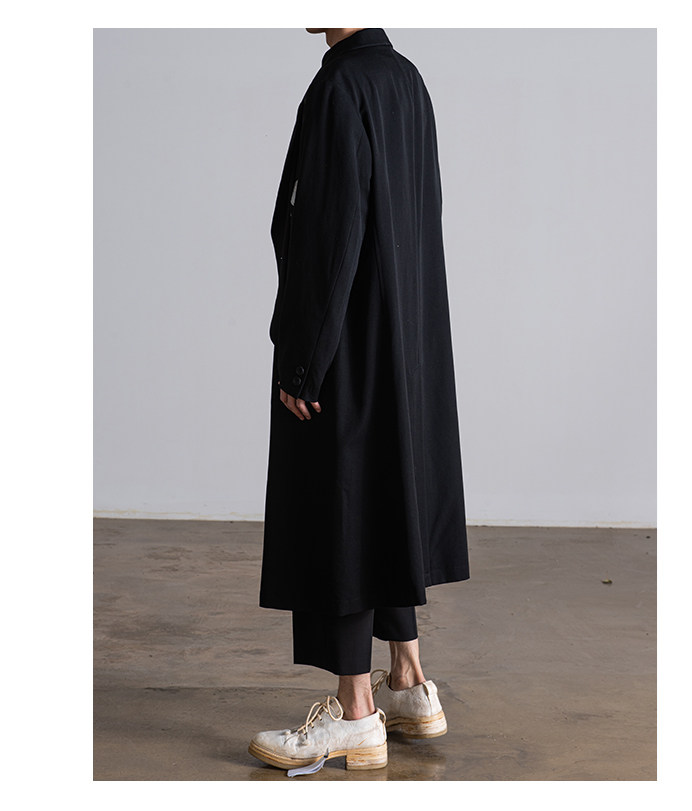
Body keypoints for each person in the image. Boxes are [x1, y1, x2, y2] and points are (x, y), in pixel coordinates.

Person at [248, 27, 470, 773]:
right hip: (399, 335)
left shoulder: (341, 86)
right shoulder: (406, 79)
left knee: (340, 509)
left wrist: (304, 360)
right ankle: (408, 682)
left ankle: (355, 715)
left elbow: (329, 230)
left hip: (348, 338)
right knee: (384, 499)